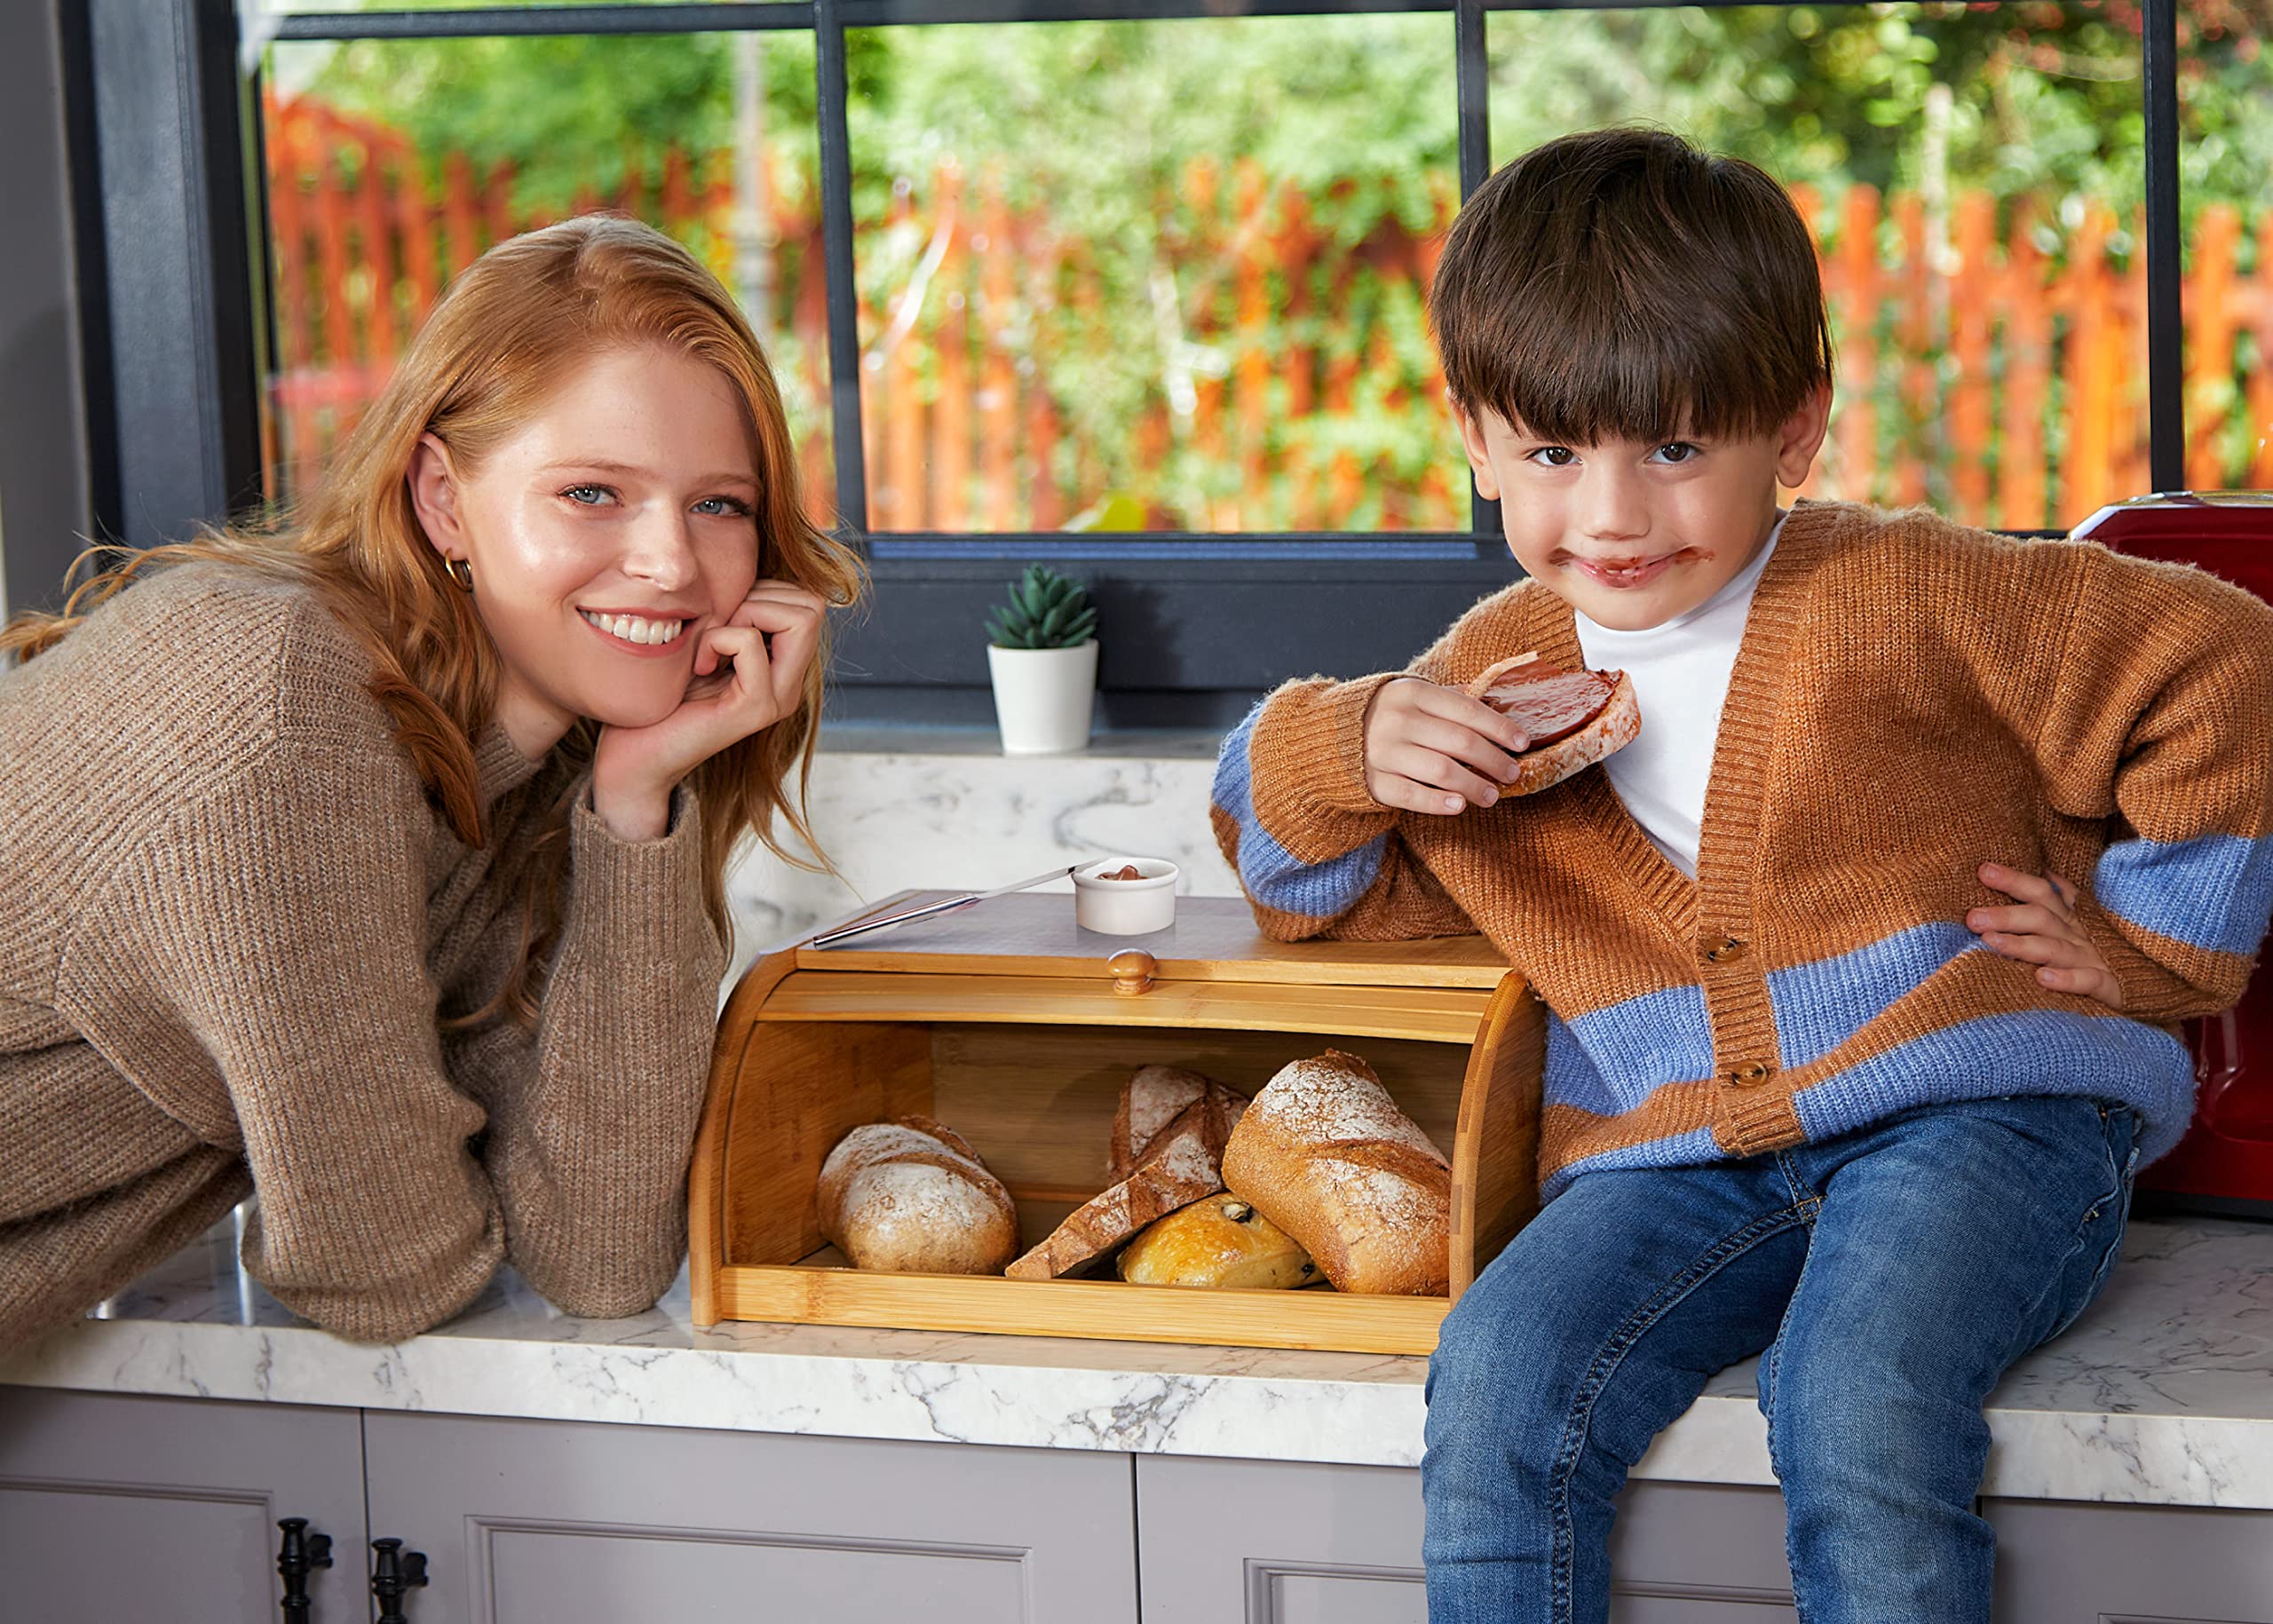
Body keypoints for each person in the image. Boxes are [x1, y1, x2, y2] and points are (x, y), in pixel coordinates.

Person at [1208, 128, 2273, 1621]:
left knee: (1855, 1394)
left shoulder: (1914, 589)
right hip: (1676, 1149)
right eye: (1555, 453)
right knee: (1497, 1373)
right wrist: (1343, 741)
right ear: (1476, 442)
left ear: (1794, 428)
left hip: (1980, 1109)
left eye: (1676, 449)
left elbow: (2224, 658)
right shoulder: (1487, 675)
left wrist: (2152, 943)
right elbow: (1309, 894)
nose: (1614, 514)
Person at [0, 215, 860, 1353]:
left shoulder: (527, 782)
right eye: (591, 492)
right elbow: (385, 1268)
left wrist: (633, 805)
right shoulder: (286, 706)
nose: (670, 563)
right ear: (444, 499)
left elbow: (598, 1254)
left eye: (719, 505)